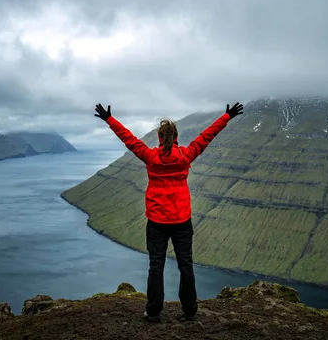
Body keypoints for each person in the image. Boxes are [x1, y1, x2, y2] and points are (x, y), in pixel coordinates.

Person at [94, 102, 244, 322]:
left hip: (156, 221)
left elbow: (129, 139)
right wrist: (227, 116)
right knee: (186, 265)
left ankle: (153, 311)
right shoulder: (185, 156)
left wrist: (109, 119)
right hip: (182, 220)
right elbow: (206, 137)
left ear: (159, 137)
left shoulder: (151, 157)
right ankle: (190, 310)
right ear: (176, 137)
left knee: (156, 265)